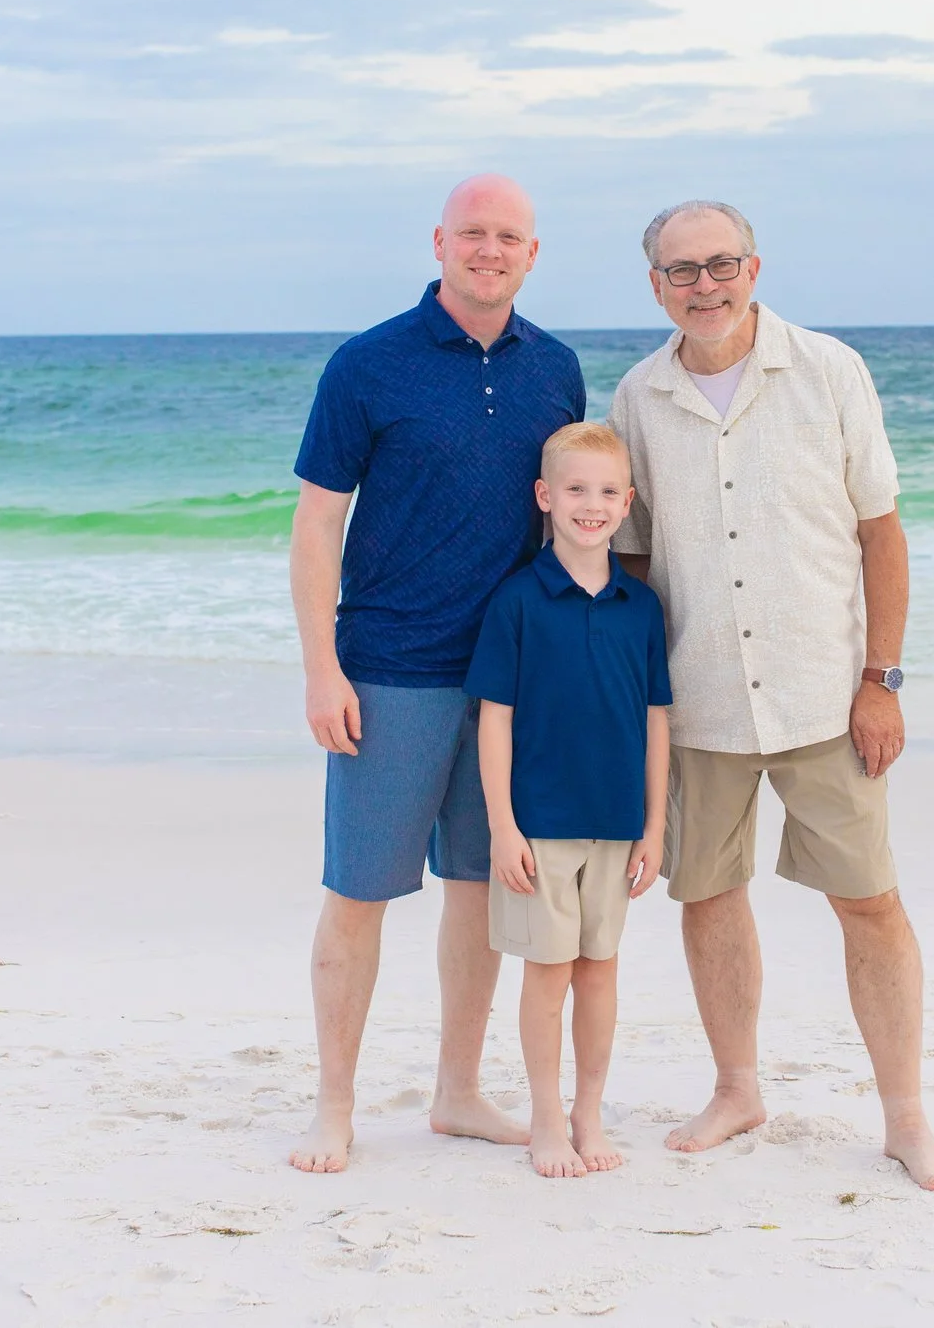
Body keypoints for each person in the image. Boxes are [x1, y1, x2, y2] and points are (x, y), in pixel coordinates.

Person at [608, 198, 934, 1192]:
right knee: (708, 893)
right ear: (656, 286)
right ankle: (737, 1086)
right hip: (701, 703)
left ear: (754, 267)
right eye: (681, 271)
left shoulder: (828, 370)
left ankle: (904, 1114)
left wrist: (881, 679)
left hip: (825, 695)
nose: (704, 284)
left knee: (871, 901)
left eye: (720, 263)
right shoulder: (636, 397)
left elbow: (880, 531)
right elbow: (631, 566)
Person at [286, 173, 586, 1174]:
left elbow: (572, 515)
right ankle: (335, 1103)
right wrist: (321, 666)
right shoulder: (367, 363)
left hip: (507, 679)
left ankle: (458, 1089)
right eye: (472, 232)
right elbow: (317, 523)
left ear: (532, 252)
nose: (488, 248)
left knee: (477, 889)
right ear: (439, 243)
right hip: (389, 671)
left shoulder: (557, 367)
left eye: (508, 235)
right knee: (359, 891)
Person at [467, 421, 672, 1178]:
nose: (592, 504)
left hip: (617, 826)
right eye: (576, 489)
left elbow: (657, 722)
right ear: (546, 497)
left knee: (600, 968)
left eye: (607, 491)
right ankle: (546, 1118)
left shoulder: (640, 605)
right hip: (540, 827)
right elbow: (496, 717)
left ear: (628, 503)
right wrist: (502, 827)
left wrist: (654, 825)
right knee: (547, 973)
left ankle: (591, 1110)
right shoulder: (518, 600)